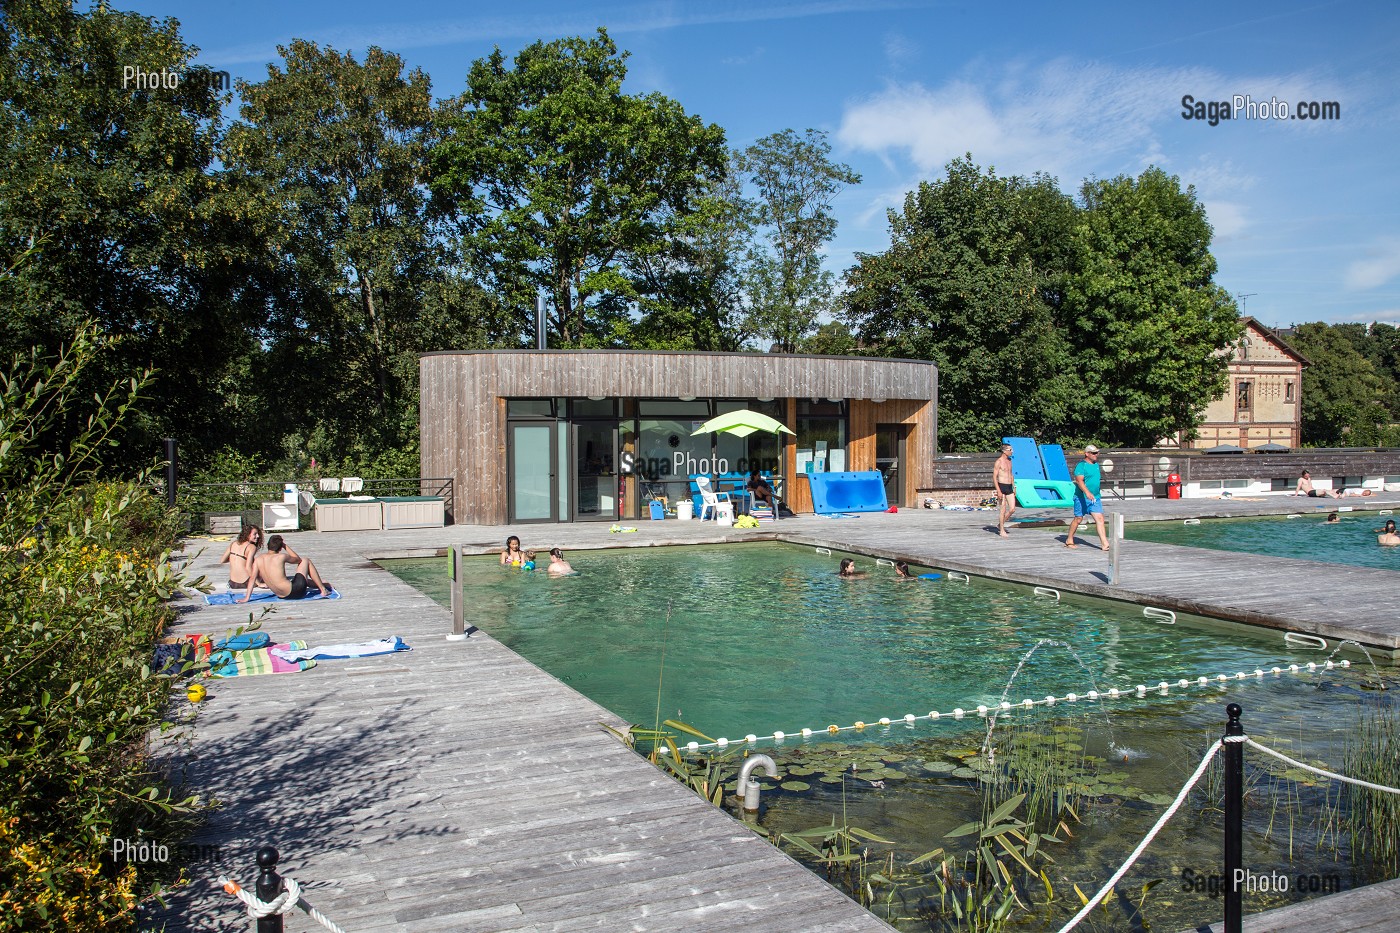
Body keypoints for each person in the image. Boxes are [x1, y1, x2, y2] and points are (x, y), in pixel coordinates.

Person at [241, 534, 332, 602]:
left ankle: (324, 584)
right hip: (295, 591)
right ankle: (323, 589)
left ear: (268, 545)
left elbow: (252, 578)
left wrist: (246, 598)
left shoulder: (258, 559)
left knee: (303, 580)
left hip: (281, 595)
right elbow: (298, 560)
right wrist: (285, 546)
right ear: (280, 548)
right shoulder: (281, 557)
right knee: (305, 560)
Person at [1065, 445, 1109, 551]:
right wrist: (1087, 492)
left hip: (1095, 498)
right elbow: (1079, 481)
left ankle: (1105, 543)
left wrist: (1093, 493)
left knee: (1100, 519)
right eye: (1093, 453)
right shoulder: (1081, 466)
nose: (1096, 455)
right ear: (1087, 454)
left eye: (1097, 453)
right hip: (1081, 497)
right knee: (1078, 519)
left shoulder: (1096, 465)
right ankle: (1069, 539)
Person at [219, 525, 262, 591]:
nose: (258, 536)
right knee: (262, 565)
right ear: (248, 535)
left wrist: (237, 558)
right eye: (255, 534)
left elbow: (222, 560)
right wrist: (259, 584)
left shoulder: (233, 543)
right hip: (245, 583)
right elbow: (248, 568)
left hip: (232, 583)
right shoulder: (251, 547)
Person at [993, 444, 1016, 537]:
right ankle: (1002, 530)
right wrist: (998, 490)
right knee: (1002, 509)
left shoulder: (1010, 461)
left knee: (1012, 509)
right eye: (1010, 450)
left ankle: (1000, 524)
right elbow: (994, 477)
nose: (1012, 451)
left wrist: (1014, 487)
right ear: (1004, 451)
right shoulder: (999, 462)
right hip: (1001, 486)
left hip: (1009, 486)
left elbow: (1011, 474)